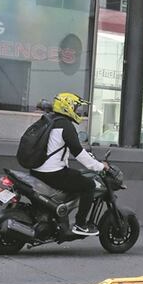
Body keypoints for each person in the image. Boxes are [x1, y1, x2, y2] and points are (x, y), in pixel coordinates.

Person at [30, 92, 108, 237]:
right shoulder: (66, 126)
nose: (78, 111)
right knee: (89, 185)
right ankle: (80, 224)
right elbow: (78, 153)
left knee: (77, 175)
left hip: (36, 170)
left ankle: (59, 216)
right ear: (68, 107)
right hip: (53, 173)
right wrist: (100, 166)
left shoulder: (49, 120)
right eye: (76, 107)